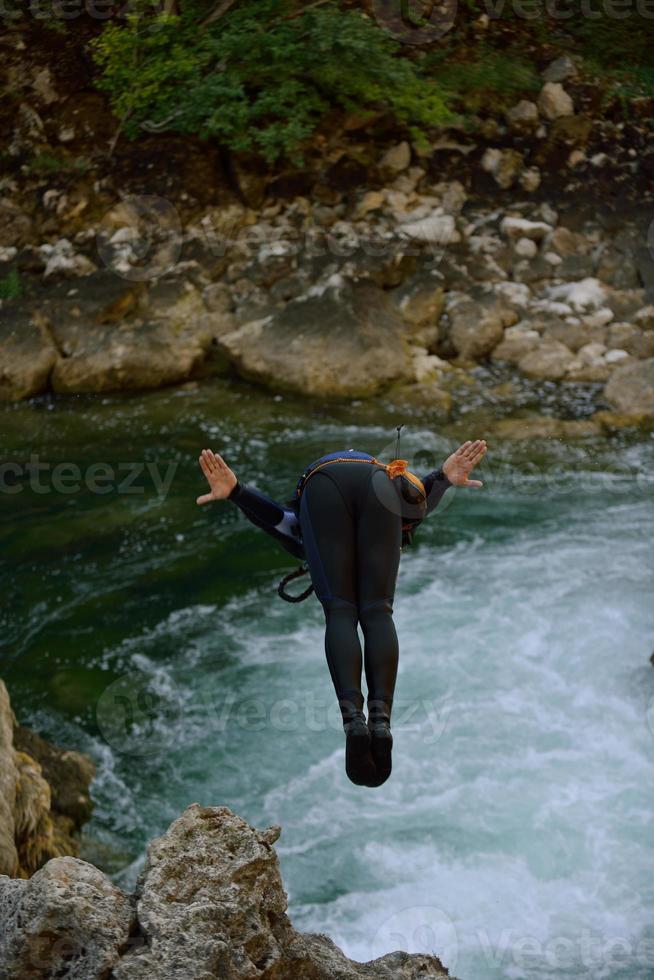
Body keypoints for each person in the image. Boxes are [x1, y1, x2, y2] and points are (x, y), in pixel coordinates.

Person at [197, 440, 487, 788]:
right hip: (380, 479)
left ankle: (354, 721)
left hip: (324, 482)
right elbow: (412, 506)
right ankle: (380, 720)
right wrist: (441, 477)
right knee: (378, 612)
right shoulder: (387, 525)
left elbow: (281, 521)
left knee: (340, 611)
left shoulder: (308, 540)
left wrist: (237, 492)